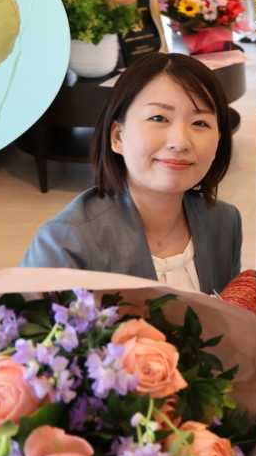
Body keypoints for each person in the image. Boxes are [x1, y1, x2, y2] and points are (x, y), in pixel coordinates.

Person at [22, 53, 242, 294]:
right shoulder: (64, 243)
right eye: (159, 118)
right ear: (118, 137)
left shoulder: (224, 222)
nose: (180, 142)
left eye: (200, 123)